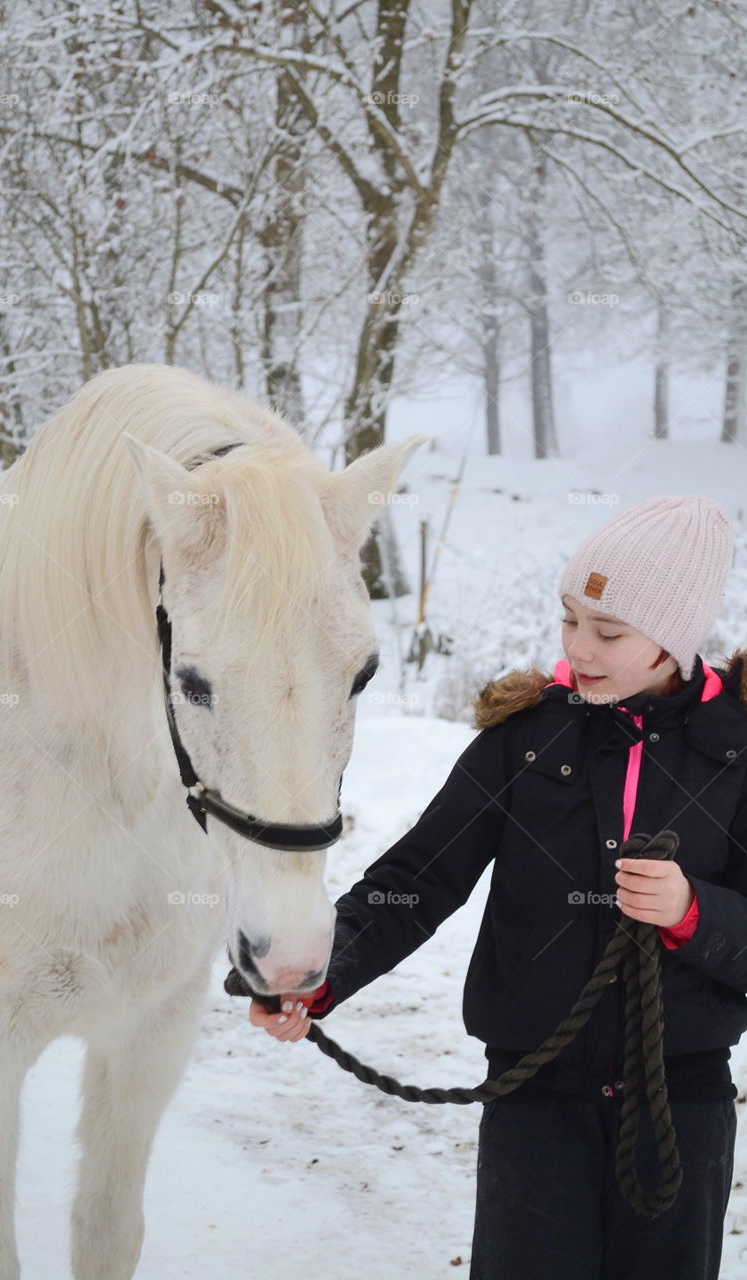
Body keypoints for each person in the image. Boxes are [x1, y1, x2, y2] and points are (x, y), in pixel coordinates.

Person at [247, 494, 747, 1280]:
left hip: (679, 1102)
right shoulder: (526, 736)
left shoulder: (735, 752)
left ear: (674, 639)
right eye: (568, 619)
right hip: (533, 1095)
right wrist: (320, 971)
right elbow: (418, 875)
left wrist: (693, 913)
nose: (577, 647)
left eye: (607, 632)